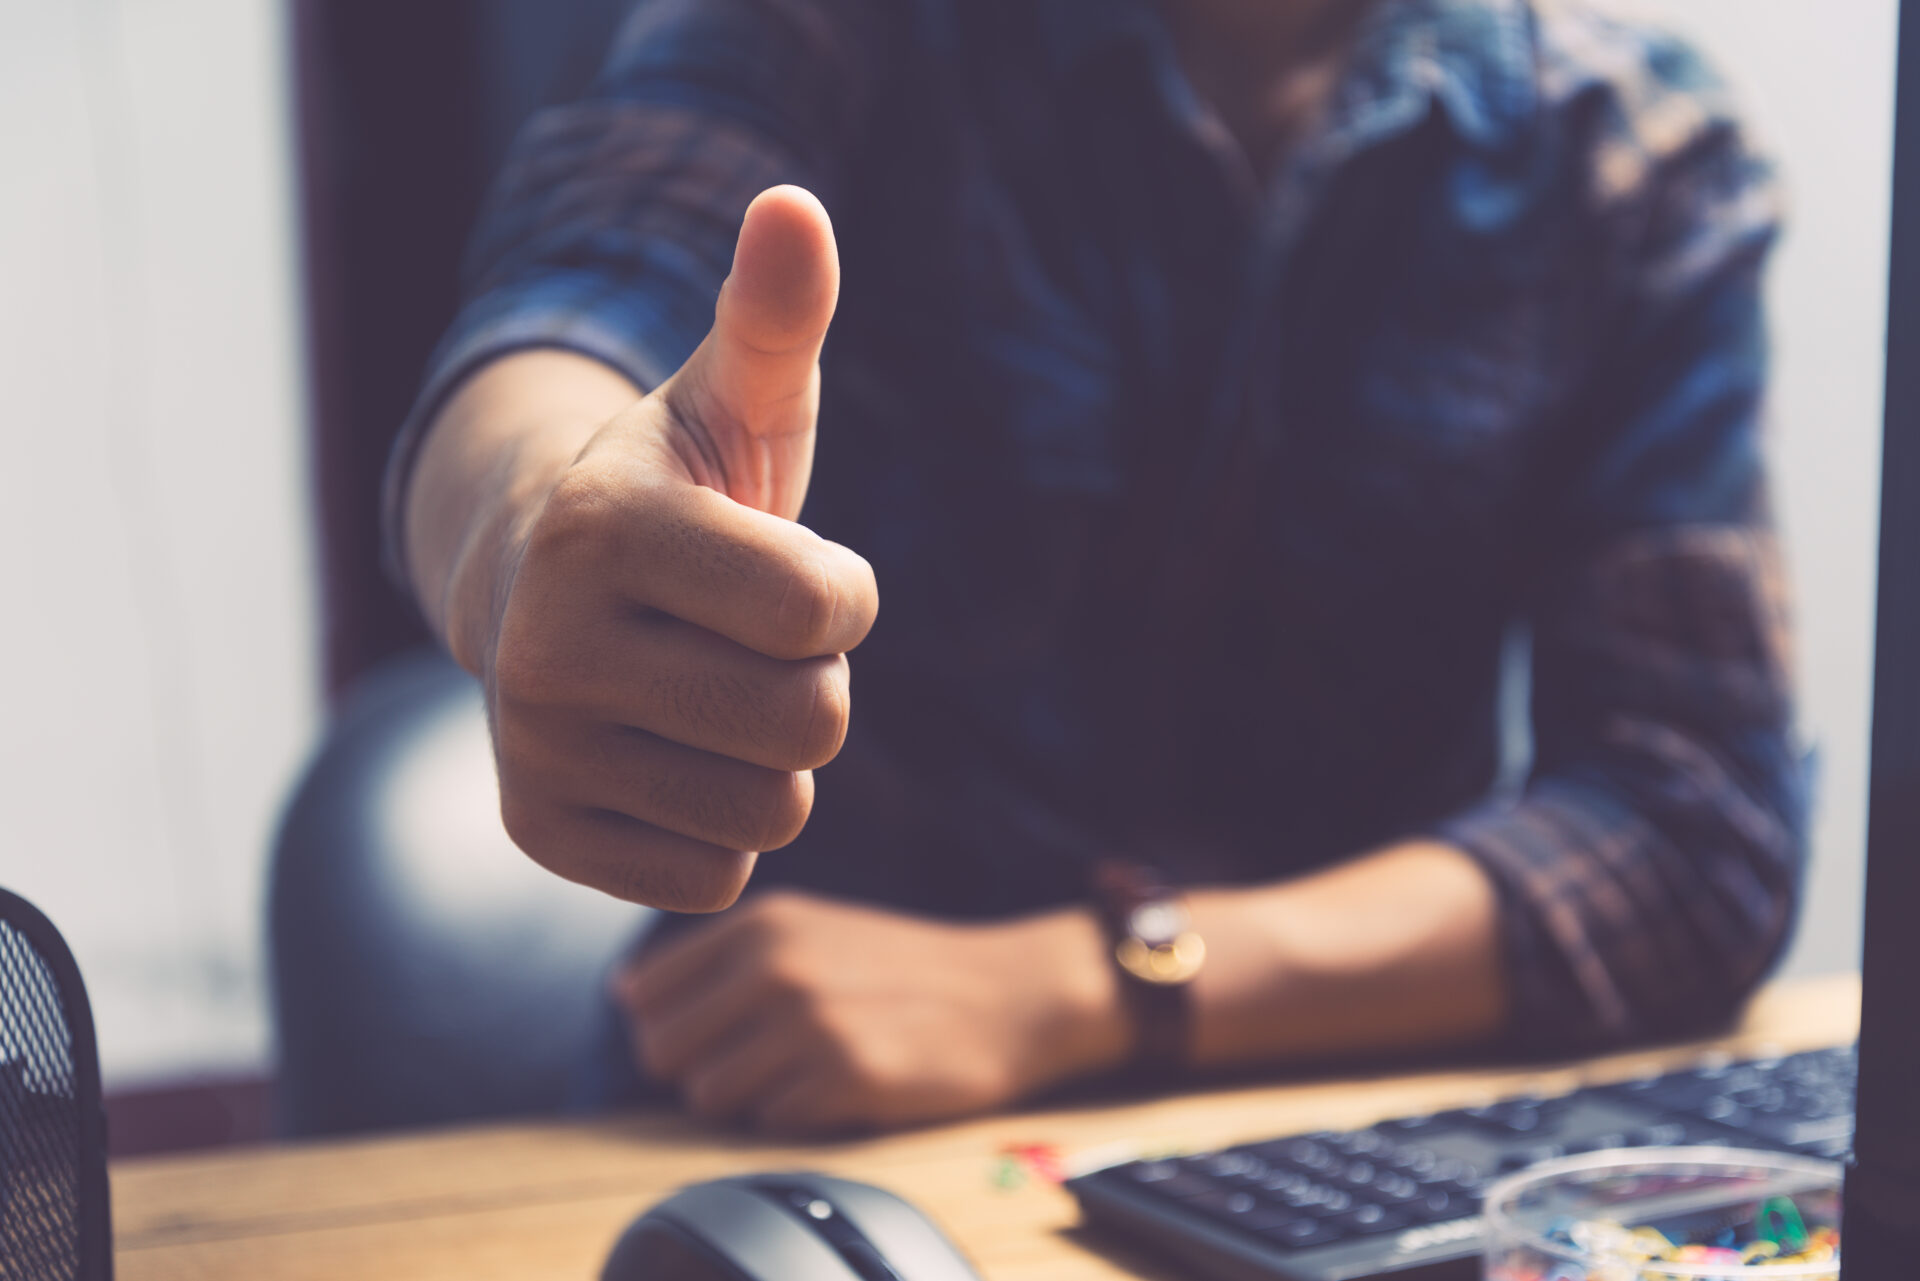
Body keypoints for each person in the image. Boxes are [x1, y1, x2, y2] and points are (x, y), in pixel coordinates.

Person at [389, 0, 1805, 1136]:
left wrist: (1075, 983)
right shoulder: (838, 31)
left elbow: (1694, 824)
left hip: (1341, 1133)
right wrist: (533, 543)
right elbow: (573, 296)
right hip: (795, 1131)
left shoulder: (1633, 153)